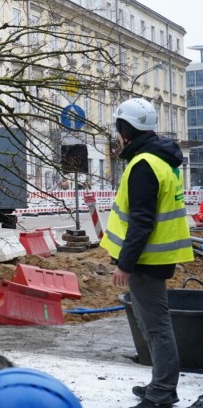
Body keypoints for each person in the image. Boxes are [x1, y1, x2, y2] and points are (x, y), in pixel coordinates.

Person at [99, 98, 193, 408]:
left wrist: (124, 265)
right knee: (151, 322)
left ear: (126, 129)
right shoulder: (160, 160)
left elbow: (141, 220)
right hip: (154, 257)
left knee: (156, 326)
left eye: (119, 127)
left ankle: (162, 392)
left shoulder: (143, 165)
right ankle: (160, 384)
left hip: (146, 260)